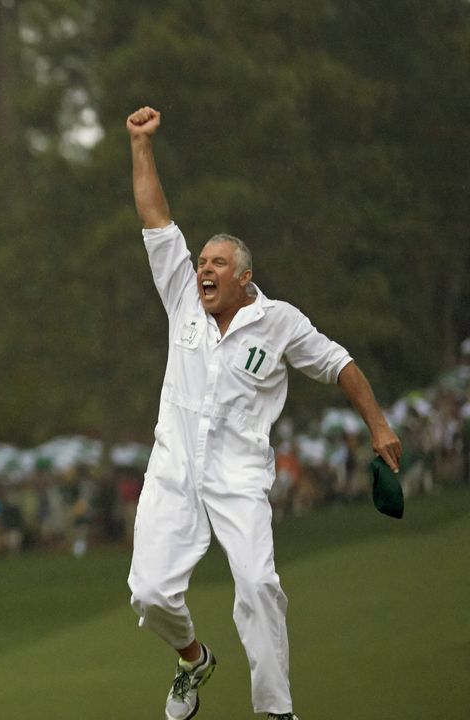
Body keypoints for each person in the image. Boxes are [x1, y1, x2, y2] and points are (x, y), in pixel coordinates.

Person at [123, 106, 402, 720]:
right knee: (148, 593)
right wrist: (141, 145)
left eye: (216, 264)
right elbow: (155, 219)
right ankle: (193, 659)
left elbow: (340, 365)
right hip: (173, 471)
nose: (203, 270)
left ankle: (277, 712)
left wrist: (378, 424)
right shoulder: (182, 299)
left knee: (258, 588)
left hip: (238, 478)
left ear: (245, 277)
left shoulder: (278, 323)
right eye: (201, 263)